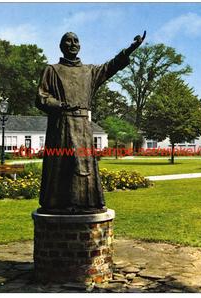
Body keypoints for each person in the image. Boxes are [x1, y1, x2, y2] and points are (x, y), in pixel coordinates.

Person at [36, 31, 146, 214]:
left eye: (76, 41)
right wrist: (60, 105)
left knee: (84, 166)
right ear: (61, 46)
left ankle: (86, 203)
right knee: (62, 165)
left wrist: (130, 49)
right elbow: (41, 97)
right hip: (61, 126)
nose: (72, 44)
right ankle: (58, 204)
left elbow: (112, 66)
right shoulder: (52, 70)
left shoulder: (89, 71)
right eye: (68, 41)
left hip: (83, 128)